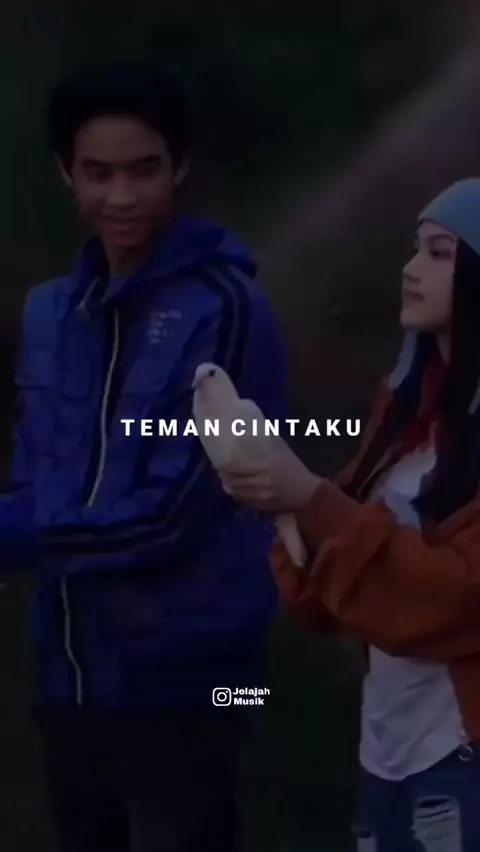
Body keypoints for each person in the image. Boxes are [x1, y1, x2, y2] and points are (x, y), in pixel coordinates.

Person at [10, 59, 287, 852]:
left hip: (197, 686)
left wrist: (19, 538)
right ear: (66, 172)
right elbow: (34, 482)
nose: (122, 196)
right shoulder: (48, 313)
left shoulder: (226, 306)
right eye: (98, 173)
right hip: (67, 677)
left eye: (144, 169)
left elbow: (179, 513)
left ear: (180, 166)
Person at [221, 178, 480, 851]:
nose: (411, 268)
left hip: (461, 758)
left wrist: (310, 499)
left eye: (440, 253)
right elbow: (331, 595)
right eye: (415, 248)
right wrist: (280, 503)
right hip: (386, 755)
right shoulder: (404, 418)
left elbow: (456, 597)